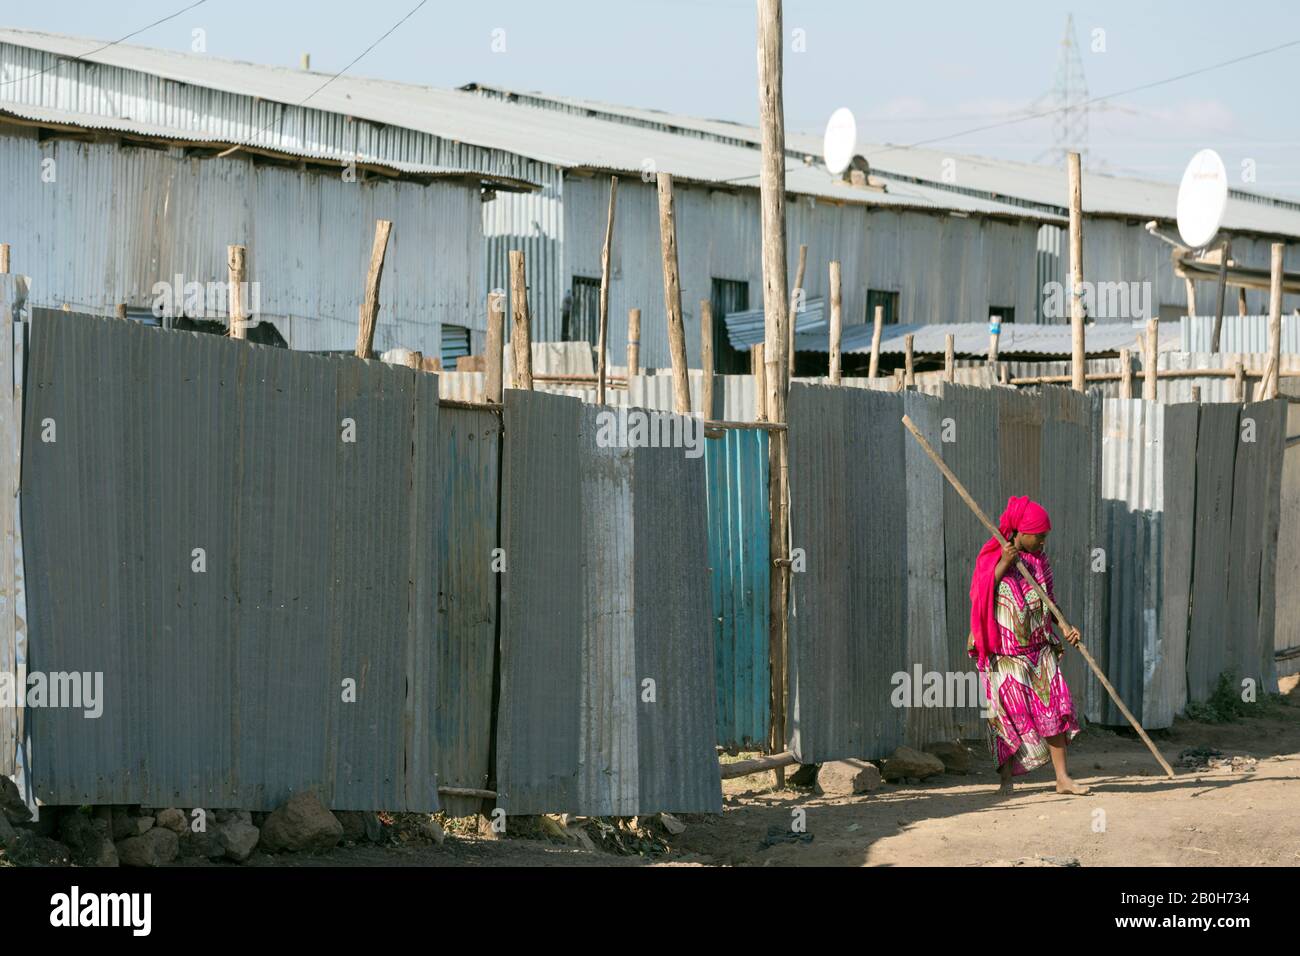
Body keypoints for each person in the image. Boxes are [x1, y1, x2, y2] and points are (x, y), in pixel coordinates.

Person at [968, 496, 1089, 795]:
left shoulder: (1039, 561)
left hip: (1039, 651)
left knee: (1055, 711)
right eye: (1040, 536)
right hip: (1005, 657)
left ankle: (1062, 778)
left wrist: (1065, 626)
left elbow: (1050, 603)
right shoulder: (993, 556)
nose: (1043, 542)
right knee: (1007, 719)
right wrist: (1004, 564)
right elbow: (979, 594)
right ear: (1021, 532)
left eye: (1046, 537)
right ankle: (1006, 783)